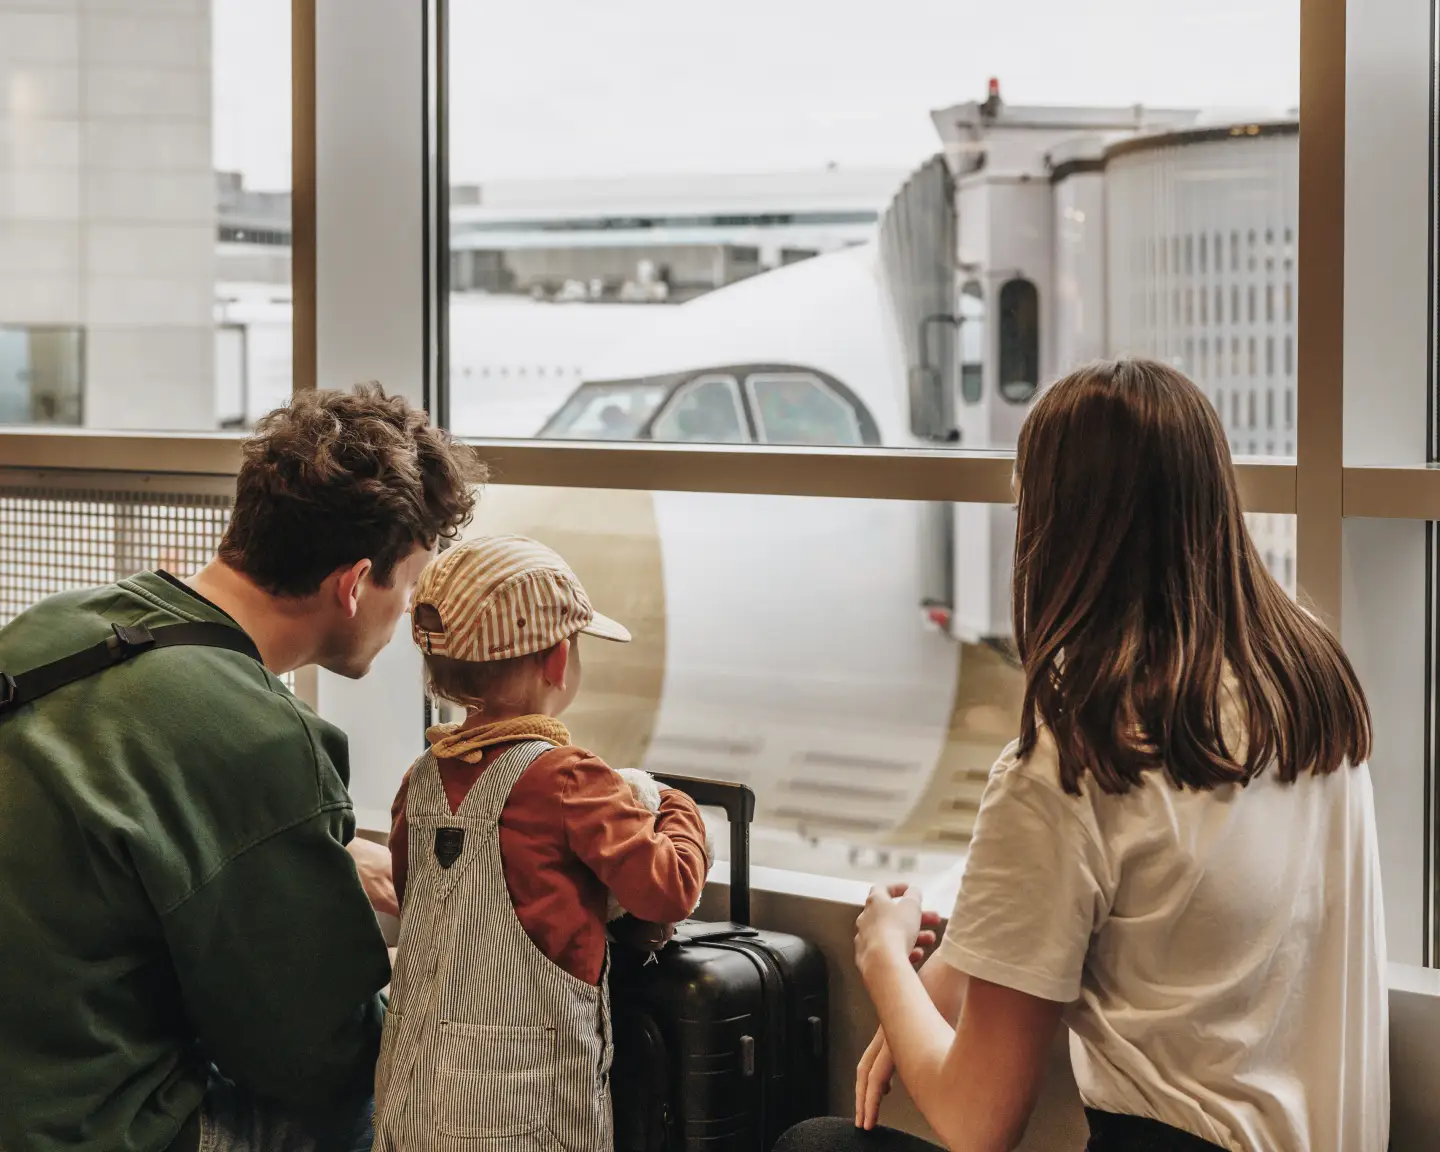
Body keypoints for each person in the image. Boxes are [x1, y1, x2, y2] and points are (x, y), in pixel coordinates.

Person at [780, 359, 1387, 1152]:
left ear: (1055, 527)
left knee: (819, 1147)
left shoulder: (1082, 753)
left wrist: (884, 952)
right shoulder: (1307, 684)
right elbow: (1175, 875)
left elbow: (976, 1120)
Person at [0, 383, 482, 1152]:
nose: (411, 614)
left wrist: (305, 862)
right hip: (80, 1125)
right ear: (354, 584)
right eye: (412, 583)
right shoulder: (262, 740)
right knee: (388, 1105)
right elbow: (316, 1056)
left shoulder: (53, 625)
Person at [375, 534, 710, 1152]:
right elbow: (668, 889)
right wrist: (675, 808)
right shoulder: (568, 779)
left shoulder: (419, 781)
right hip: (525, 1105)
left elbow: (415, 892)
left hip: (412, 1095)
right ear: (558, 661)